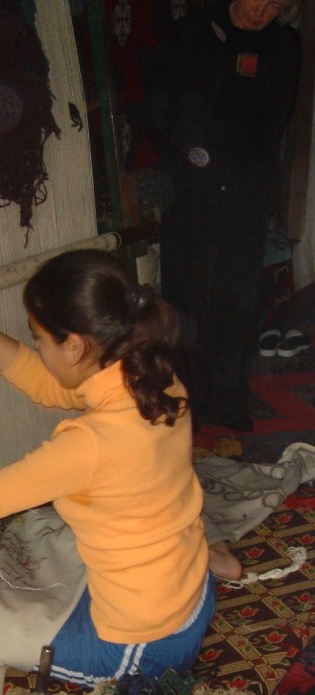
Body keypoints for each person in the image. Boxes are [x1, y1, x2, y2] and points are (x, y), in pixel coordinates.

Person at [0, 249, 216, 686]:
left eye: (38, 337)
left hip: (144, 647)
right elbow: (44, 381)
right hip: (191, 592)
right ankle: (203, 567)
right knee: (55, 546)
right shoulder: (153, 378)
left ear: (75, 346)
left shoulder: (89, 445)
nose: (36, 346)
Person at [147, 0, 304, 432]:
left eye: (277, 6)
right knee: (186, 299)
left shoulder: (283, 46)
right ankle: (185, 402)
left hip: (247, 191)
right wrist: (182, 161)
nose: (263, 11)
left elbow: (277, 118)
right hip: (191, 190)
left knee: (238, 297)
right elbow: (159, 101)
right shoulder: (193, 31)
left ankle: (228, 397)